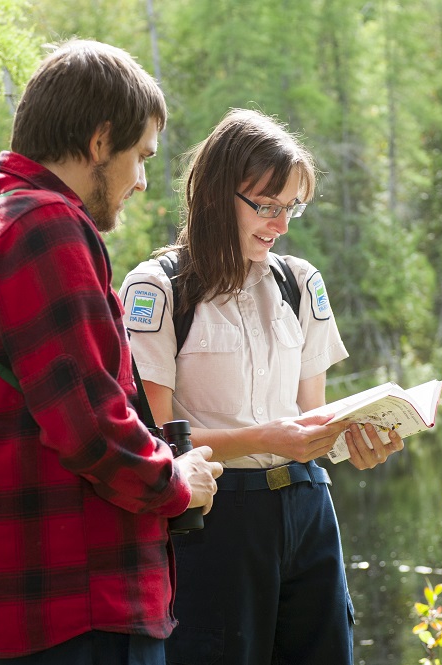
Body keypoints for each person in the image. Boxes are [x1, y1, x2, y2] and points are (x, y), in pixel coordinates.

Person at [0, 39, 222, 665]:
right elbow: (93, 427)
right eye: (140, 156)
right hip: (82, 612)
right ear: (98, 140)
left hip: (16, 611)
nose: (141, 181)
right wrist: (177, 481)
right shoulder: (45, 229)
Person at [118, 108, 404, 665]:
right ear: (218, 191)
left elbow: (310, 418)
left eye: (291, 207)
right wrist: (263, 437)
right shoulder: (157, 287)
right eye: (268, 206)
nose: (282, 223)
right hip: (215, 518)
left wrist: (356, 441)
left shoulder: (300, 282)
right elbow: (152, 439)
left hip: (308, 505)